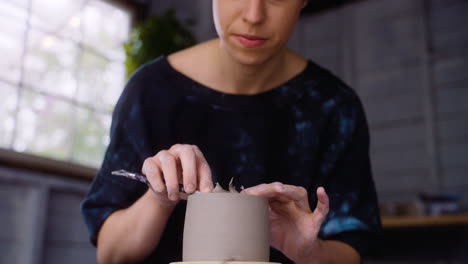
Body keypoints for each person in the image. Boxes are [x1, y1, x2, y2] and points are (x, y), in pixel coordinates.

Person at [81, 0, 381, 263]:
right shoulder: (149, 91)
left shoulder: (334, 106)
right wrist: (159, 199)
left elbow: (352, 247)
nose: (253, 14)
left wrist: (309, 254)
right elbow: (110, 254)